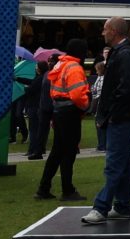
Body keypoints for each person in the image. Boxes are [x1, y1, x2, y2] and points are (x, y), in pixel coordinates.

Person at [81, 17, 130, 226]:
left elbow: (125, 87)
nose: (102, 33)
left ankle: (101, 207)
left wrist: (111, 112)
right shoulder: (123, 52)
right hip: (124, 115)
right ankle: (122, 206)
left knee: (114, 163)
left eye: (105, 29)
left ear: (113, 31)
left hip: (122, 117)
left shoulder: (124, 54)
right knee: (124, 163)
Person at [32, 50, 89, 202]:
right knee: (69, 153)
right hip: (70, 113)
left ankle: (43, 188)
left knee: (56, 151)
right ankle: (67, 190)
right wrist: (85, 106)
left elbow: (52, 90)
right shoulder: (74, 67)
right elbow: (77, 94)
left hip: (58, 111)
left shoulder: (60, 65)